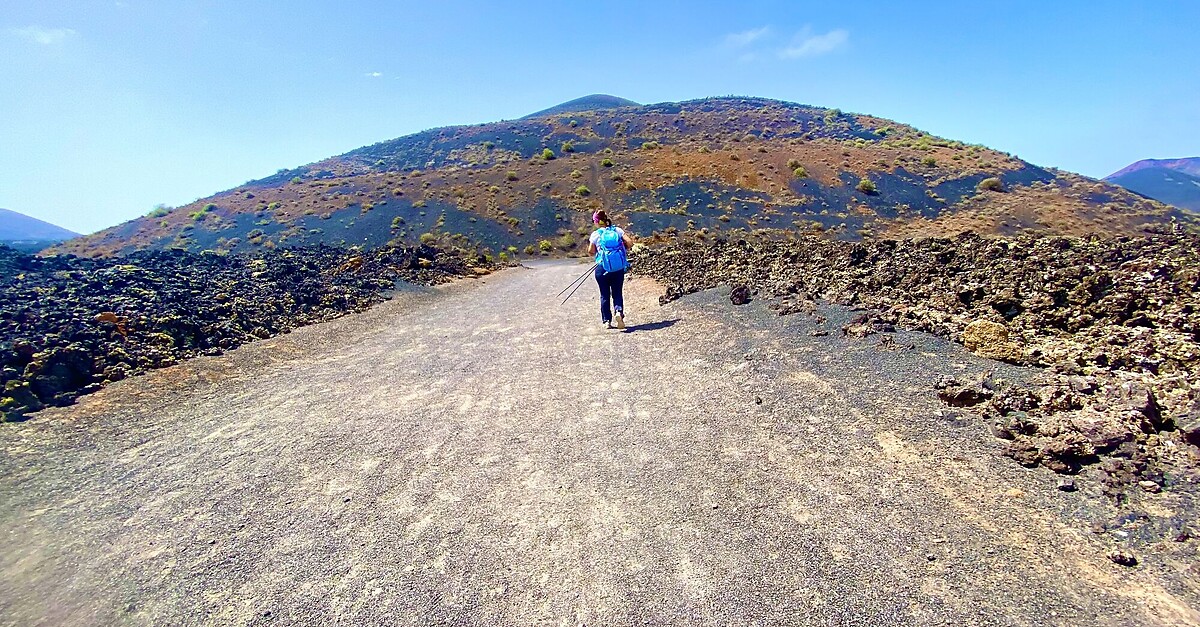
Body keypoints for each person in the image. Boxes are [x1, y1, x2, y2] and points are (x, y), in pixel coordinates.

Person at [587, 210, 634, 329]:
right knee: (617, 292)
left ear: (597, 221)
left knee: (604, 294)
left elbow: (591, 251)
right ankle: (618, 312)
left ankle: (606, 321)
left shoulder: (595, 234)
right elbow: (630, 243)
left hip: (602, 268)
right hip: (618, 268)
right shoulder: (617, 230)